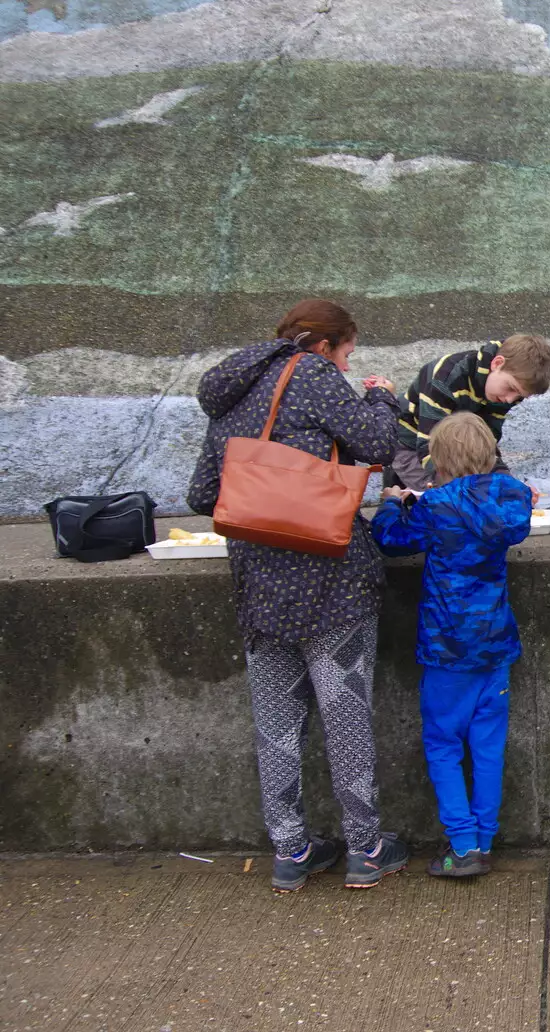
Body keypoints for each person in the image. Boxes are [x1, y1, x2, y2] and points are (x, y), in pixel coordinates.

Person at [186, 298, 411, 893]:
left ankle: (291, 852)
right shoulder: (310, 373)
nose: (347, 360)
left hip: (260, 583)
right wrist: (381, 394)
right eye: (347, 351)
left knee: (277, 725)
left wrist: (270, 495)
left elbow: (203, 492)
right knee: (344, 718)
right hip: (329, 582)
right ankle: (365, 849)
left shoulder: (233, 388)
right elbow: (379, 442)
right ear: (326, 346)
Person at [370, 413, 533, 878]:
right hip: (495, 644)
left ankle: (461, 845)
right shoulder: (512, 500)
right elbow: (513, 518)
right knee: (488, 746)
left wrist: (389, 503)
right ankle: (484, 838)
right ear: (489, 455)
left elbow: (392, 540)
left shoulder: (435, 506)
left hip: (447, 649)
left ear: (437, 461)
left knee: (443, 744)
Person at [389, 334, 550, 491]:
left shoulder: (501, 393)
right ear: (497, 363)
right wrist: (462, 492)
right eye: (511, 388)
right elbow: (428, 447)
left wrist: (509, 486)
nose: (510, 400)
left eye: (520, 397)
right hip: (412, 448)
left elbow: (485, 448)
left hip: (456, 455)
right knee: (451, 501)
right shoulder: (445, 378)